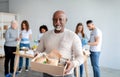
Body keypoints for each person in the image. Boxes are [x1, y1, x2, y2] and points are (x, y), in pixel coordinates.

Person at [35, 10, 84, 77]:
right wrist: (37, 55)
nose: (57, 22)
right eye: (55, 20)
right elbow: (38, 50)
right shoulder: (46, 35)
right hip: (47, 73)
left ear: (66, 20)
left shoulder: (73, 36)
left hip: (65, 74)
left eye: (60, 19)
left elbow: (80, 57)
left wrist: (73, 63)